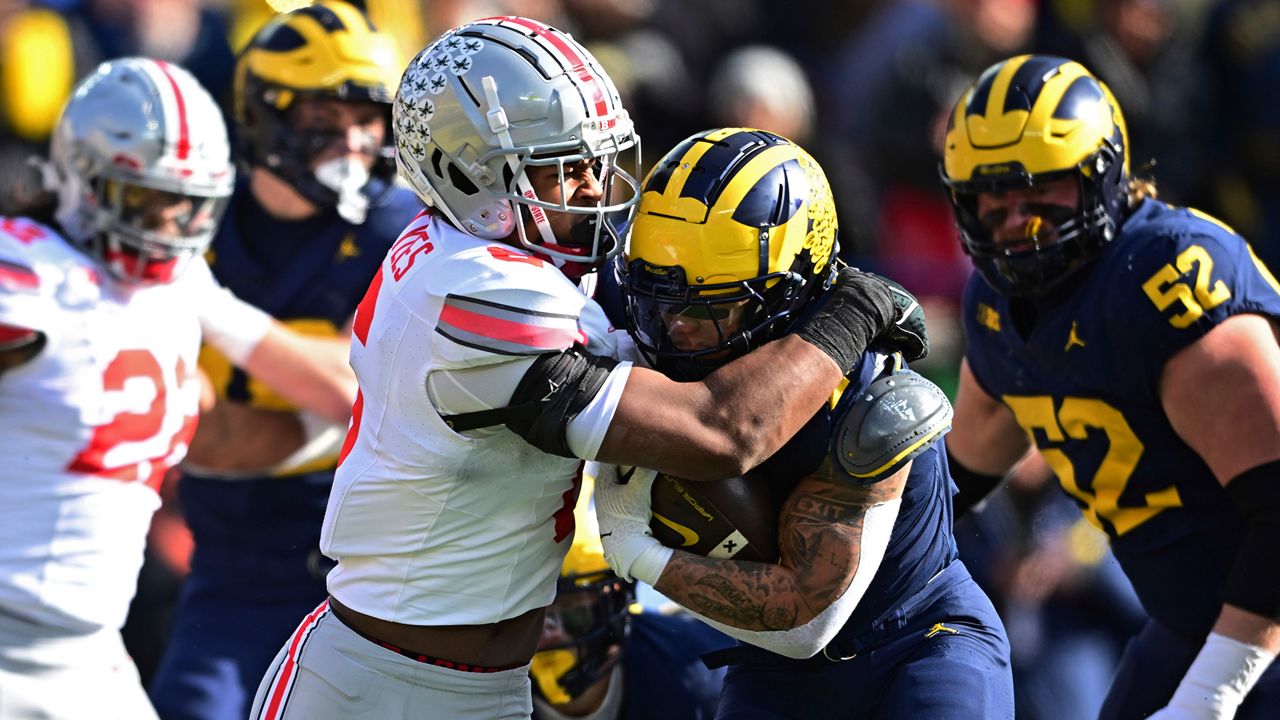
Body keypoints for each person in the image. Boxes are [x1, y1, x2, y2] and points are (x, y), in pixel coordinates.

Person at [250, 16, 928, 720]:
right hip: (374, 687)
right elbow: (724, 430)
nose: (592, 188)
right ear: (466, 176)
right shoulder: (473, 289)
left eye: (596, 161)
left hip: (487, 686)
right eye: (561, 166)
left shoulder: (480, 256)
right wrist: (852, 312)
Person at [591, 127, 1013, 719]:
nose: (673, 330)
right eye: (656, 301)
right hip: (777, 672)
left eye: (707, 307)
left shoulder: (868, 390)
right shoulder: (663, 335)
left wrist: (632, 550)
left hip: (916, 644)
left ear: (787, 296)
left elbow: (806, 618)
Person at [0, 57, 358, 720]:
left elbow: (241, 427)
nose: (168, 224)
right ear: (82, 177)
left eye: (190, 204)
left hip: (90, 657)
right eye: (148, 199)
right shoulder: (24, 272)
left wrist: (346, 426)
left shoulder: (178, 287)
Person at [939, 54, 1280, 719]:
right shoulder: (998, 306)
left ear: (1102, 177)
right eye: (992, 195)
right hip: (1189, 626)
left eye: (1040, 189)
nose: (1016, 218)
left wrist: (1209, 697)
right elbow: (952, 484)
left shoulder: (1164, 283)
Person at [146, 4, 422, 720]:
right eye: (324, 116)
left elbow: (360, 391)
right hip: (232, 571)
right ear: (264, 113)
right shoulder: (200, 218)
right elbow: (196, 427)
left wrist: (215, 313)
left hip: (370, 581)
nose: (355, 139)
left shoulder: (400, 230)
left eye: (368, 118)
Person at [531, 477, 728, 720]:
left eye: (573, 609)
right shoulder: (479, 690)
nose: (547, 630)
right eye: (528, 612)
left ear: (616, 601)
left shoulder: (696, 682)